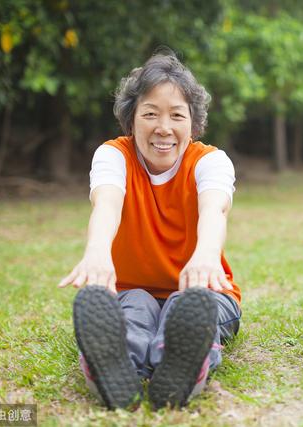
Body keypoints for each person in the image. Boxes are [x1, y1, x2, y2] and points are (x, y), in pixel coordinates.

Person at [58, 50, 241, 410]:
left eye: (177, 115)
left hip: (203, 291)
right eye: (150, 114)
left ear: (193, 123)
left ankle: (185, 363)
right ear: (131, 120)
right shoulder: (113, 156)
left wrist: (205, 254)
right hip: (132, 289)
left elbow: (214, 209)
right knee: (136, 309)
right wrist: (97, 250)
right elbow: (107, 203)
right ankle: (113, 366)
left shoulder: (211, 161)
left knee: (185, 306)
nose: (163, 127)